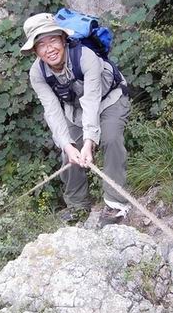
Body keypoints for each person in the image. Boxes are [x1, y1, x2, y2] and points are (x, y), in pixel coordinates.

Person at [20, 12, 131, 226]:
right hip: (76, 110)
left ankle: (116, 203)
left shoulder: (85, 56)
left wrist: (89, 142)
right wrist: (68, 145)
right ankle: (78, 205)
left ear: (63, 39)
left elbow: (92, 100)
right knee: (69, 153)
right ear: (35, 51)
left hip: (110, 99)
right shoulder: (37, 73)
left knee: (110, 138)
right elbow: (52, 111)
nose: (49, 49)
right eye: (41, 44)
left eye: (53, 40)